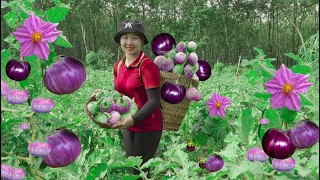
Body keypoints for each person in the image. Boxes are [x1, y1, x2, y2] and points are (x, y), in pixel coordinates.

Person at [85, 19, 163, 179]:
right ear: (120, 40)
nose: (129, 42)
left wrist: (134, 119)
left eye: (134, 37)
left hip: (148, 125)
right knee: (131, 166)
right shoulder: (118, 66)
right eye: (125, 37)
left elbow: (154, 101)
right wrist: (104, 94)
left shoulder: (147, 66)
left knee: (141, 171)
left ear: (142, 41)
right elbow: (119, 95)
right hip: (127, 123)